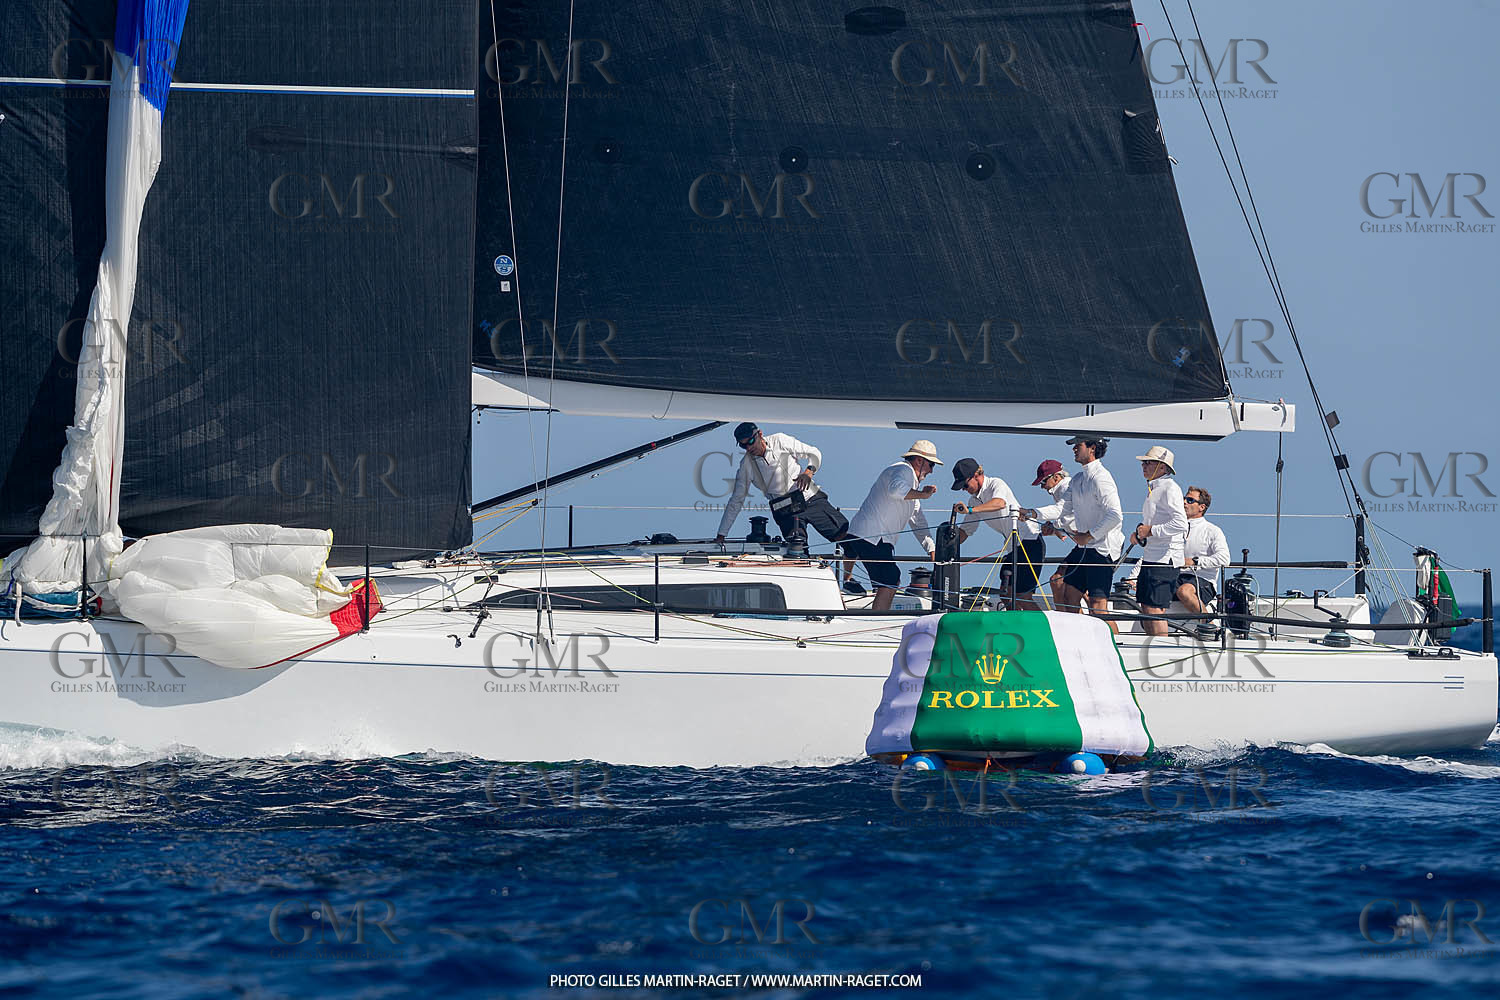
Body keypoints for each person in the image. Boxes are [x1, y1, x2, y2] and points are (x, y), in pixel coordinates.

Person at [1019, 437, 1124, 632]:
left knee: (1098, 607)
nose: (1074, 448)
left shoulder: (1102, 477)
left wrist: (1089, 536)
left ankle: (1118, 646)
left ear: (1092, 448)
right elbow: (1062, 509)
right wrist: (1032, 513)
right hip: (1085, 547)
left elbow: (1115, 516)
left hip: (1103, 549)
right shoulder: (1077, 479)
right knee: (1070, 595)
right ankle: (1075, 637)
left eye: (1079, 445)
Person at [714, 422, 848, 549]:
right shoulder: (746, 466)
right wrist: (721, 535)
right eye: (743, 446)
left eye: (750, 442)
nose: (749, 448)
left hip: (810, 497)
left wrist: (808, 472)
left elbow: (814, 453)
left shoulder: (780, 440)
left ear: (760, 434)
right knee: (797, 551)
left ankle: (848, 574)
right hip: (785, 509)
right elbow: (736, 500)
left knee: (844, 537)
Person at [844, 441, 940, 610]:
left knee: (887, 578)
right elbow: (895, 491)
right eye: (931, 464)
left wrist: (931, 550)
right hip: (873, 537)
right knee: (891, 578)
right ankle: (876, 620)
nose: (932, 470)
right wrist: (924, 495)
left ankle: (848, 583)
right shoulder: (904, 470)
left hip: (859, 534)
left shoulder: (910, 486)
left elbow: (919, 522)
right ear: (919, 461)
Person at [950, 458, 1044, 610]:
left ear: (976, 475)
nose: (964, 489)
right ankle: (1016, 628)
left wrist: (972, 510)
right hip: (1013, 547)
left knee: (1022, 597)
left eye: (965, 485)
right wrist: (944, 546)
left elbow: (999, 503)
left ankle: (1041, 628)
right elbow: (966, 531)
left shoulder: (996, 484)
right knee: (1006, 595)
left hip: (1030, 541)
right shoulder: (974, 501)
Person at [1129, 445, 1188, 637]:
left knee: (1155, 609)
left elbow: (1180, 523)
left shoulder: (1169, 488)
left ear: (1162, 468)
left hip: (1165, 559)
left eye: (1149, 463)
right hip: (1152, 557)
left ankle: (1161, 647)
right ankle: (1154, 645)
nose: (1144, 466)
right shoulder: (1155, 489)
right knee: (1147, 607)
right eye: (1144, 463)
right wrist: (1140, 534)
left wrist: (1150, 531)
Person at [1179, 486, 1231, 631]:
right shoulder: (1174, 529)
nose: (1184, 502)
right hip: (1174, 577)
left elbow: (1224, 558)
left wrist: (1195, 561)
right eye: (1184, 498)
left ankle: (1210, 625)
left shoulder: (1212, 531)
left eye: (1189, 500)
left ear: (1202, 507)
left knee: (1184, 591)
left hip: (1202, 580)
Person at [1030, 459, 1074, 609]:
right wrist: (1056, 529)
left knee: (1058, 581)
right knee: (1058, 582)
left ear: (1056, 477)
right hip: (1086, 546)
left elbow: (1066, 515)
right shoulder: (1062, 489)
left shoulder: (1065, 488)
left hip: (1096, 546)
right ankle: (1069, 622)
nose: (1042, 487)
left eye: (1043, 482)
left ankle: (1065, 624)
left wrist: (1032, 514)